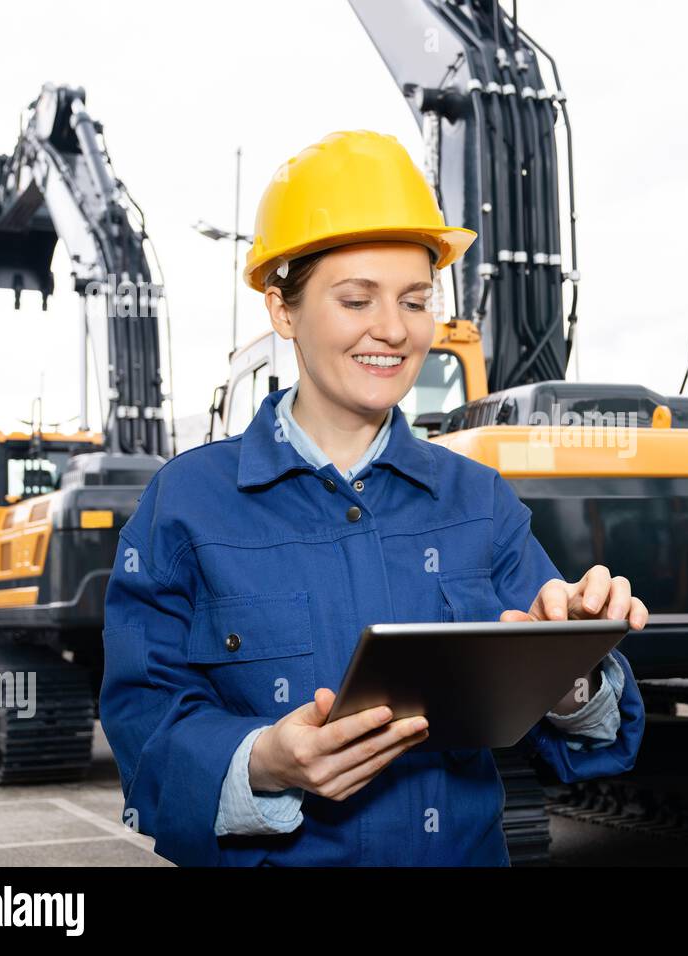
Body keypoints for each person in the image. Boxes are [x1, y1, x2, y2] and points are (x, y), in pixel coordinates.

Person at [100, 130, 647, 866]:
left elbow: (586, 740)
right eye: (357, 299)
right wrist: (261, 761)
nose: (393, 330)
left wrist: (572, 661)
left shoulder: (479, 503)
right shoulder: (187, 505)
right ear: (283, 310)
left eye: (416, 301)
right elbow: (143, 722)